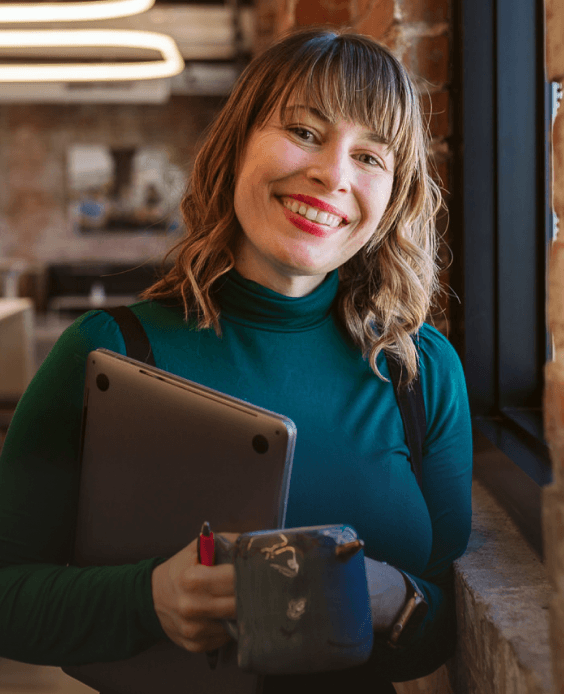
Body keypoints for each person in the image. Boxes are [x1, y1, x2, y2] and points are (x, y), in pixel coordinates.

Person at [0, 27, 472, 692]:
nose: (332, 174)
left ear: (393, 196)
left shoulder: (420, 372)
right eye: (305, 132)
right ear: (237, 143)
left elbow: (449, 622)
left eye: (370, 156)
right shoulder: (106, 352)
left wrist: (392, 596)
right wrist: (148, 600)